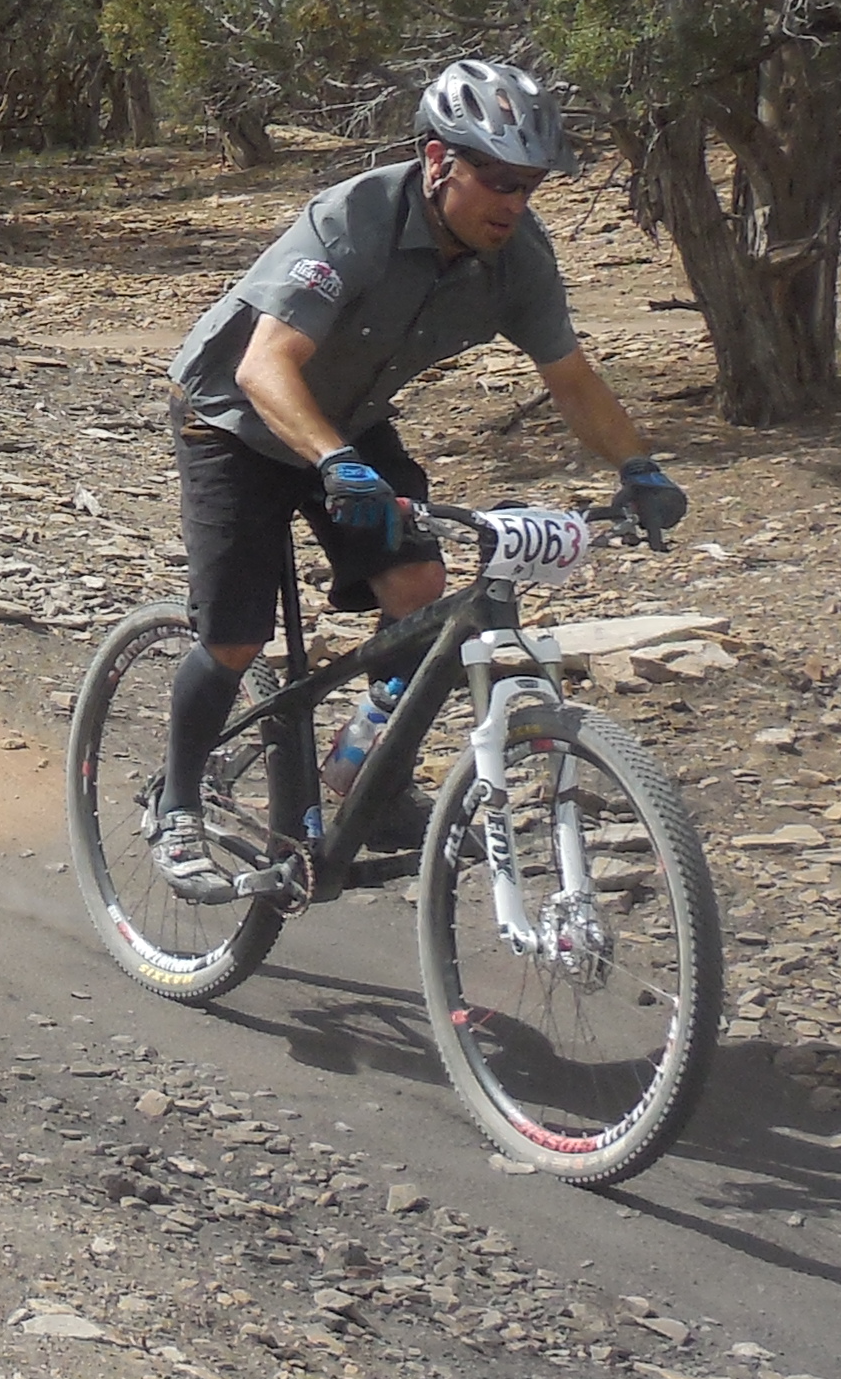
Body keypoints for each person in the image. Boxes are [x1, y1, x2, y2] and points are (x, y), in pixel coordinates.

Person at [149, 58, 687, 899]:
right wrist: (330, 462)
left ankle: (366, 774)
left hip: (349, 424)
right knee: (235, 638)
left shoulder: (517, 257)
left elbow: (571, 376)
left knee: (422, 590)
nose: (515, 203)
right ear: (439, 162)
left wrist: (639, 467)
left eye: (530, 186)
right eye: (499, 181)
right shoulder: (352, 221)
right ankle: (177, 805)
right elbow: (265, 367)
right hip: (235, 418)